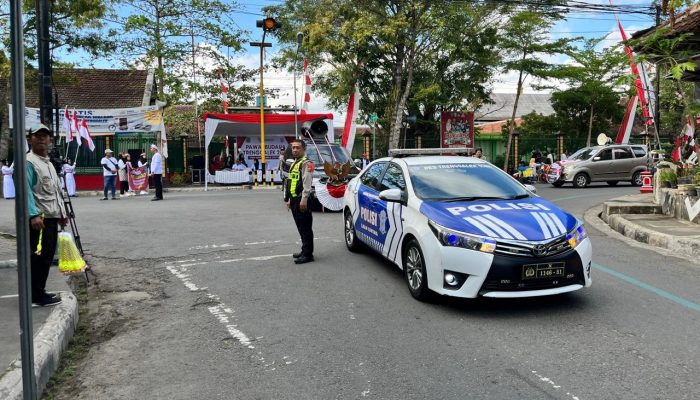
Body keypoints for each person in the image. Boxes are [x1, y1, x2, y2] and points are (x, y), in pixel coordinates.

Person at [25, 124, 67, 306]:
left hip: (51, 217)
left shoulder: (48, 164)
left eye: (45, 136)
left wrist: (62, 213)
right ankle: (36, 296)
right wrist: (33, 215)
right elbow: (25, 190)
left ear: (50, 140)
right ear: (29, 139)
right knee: (39, 257)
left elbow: (56, 192)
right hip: (39, 220)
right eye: (37, 136)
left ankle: (39, 291)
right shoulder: (28, 162)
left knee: (47, 257)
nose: (41, 139)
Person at [286, 139, 314, 264]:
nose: (295, 150)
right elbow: (291, 182)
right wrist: (289, 200)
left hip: (302, 200)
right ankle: (304, 250)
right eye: (293, 148)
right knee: (300, 227)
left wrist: (304, 199)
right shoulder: (294, 163)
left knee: (305, 228)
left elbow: (307, 183)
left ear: (303, 149)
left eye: (298, 148)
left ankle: (308, 254)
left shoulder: (306, 163)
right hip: (294, 200)